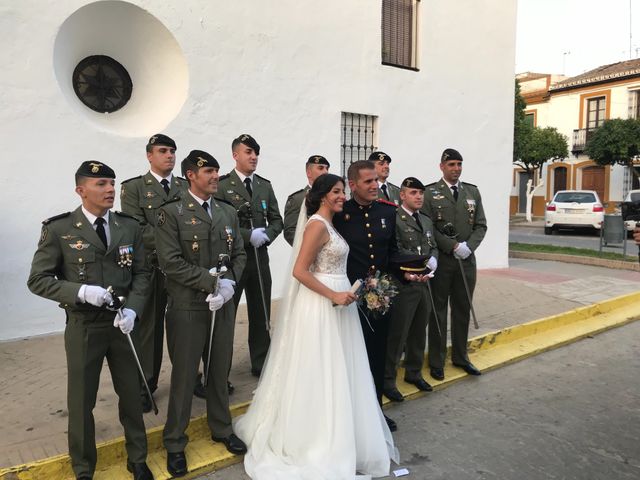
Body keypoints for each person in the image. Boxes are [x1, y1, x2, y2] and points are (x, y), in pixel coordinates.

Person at [235, 173, 397, 479]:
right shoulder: (316, 226)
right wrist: (334, 293)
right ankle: (317, 437)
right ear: (322, 195)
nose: (341, 196)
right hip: (321, 305)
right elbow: (300, 270)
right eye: (336, 191)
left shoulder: (330, 224)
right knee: (321, 369)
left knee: (341, 369)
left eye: (342, 192)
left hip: (340, 305)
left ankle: (344, 434)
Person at [27, 161, 153, 480]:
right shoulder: (60, 229)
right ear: (81, 191)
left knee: (131, 394)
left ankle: (138, 457)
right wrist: (81, 291)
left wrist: (135, 309)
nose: (110, 189)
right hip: (85, 327)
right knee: (82, 401)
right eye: (101, 184)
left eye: (112, 182)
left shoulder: (128, 226)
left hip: (122, 324)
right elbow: (38, 279)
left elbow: (142, 273)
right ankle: (84, 467)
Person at [156, 150, 247, 477]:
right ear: (191, 175)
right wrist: (210, 281)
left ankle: (222, 428)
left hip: (220, 305)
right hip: (188, 308)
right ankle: (175, 442)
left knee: (219, 371)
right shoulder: (172, 214)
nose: (215, 176)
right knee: (183, 377)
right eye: (208, 171)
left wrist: (229, 286)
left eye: (216, 171)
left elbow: (239, 253)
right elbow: (169, 262)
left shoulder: (226, 212)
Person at [333, 160, 428, 432]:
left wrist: (410, 271)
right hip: (349, 298)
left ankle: (375, 409)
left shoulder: (388, 211)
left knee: (377, 355)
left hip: (380, 298)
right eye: (368, 182)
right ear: (353, 185)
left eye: (376, 180)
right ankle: (349, 412)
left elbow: (391, 254)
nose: (375, 185)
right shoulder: (341, 213)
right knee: (350, 357)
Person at [120, 133, 187, 412]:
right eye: (162, 150)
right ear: (149, 155)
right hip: (153, 268)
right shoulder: (134, 188)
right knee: (149, 330)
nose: (169, 155)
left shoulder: (185, 186)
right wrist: (174, 243)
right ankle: (146, 384)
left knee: (186, 327)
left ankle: (191, 376)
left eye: (172, 150)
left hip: (183, 270)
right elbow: (137, 229)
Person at [215, 134, 283, 376]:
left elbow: (277, 220)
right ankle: (221, 370)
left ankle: (261, 363)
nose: (253, 157)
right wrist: (246, 235)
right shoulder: (222, 185)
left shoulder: (264, 185)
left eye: (256, 153)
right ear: (235, 155)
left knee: (261, 311)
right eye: (248, 152)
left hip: (259, 259)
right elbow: (219, 222)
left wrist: (267, 235)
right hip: (234, 260)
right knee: (227, 315)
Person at [421, 148, 487, 381]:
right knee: (438, 312)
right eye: (451, 165)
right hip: (443, 261)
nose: (456, 168)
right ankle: (437, 361)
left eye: (459, 164)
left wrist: (469, 246)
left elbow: (481, 225)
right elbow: (426, 226)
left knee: (462, 309)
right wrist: (451, 246)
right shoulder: (430, 193)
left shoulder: (472, 192)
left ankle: (461, 356)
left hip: (466, 261)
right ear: (442, 167)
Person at [383, 177, 439, 403]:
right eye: (413, 193)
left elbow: (432, 245)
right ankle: (388, 379)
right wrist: (418, 264)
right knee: (398, 334)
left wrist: (433, 259)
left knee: (419, 330)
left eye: (420, 193)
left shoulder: (425, 220)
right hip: (403, 284)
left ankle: (413, 372)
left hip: (424, 283)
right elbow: (394, 250)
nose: (418, 197)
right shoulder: (394, 218)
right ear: (402, 195)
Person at [282, 154, 330, 245]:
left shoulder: (332, 197)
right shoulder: (298, 199)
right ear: (309, 173)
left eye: (327, 168)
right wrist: (310, 248)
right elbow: (290, 232)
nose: (325, 172)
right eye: (320, 168)